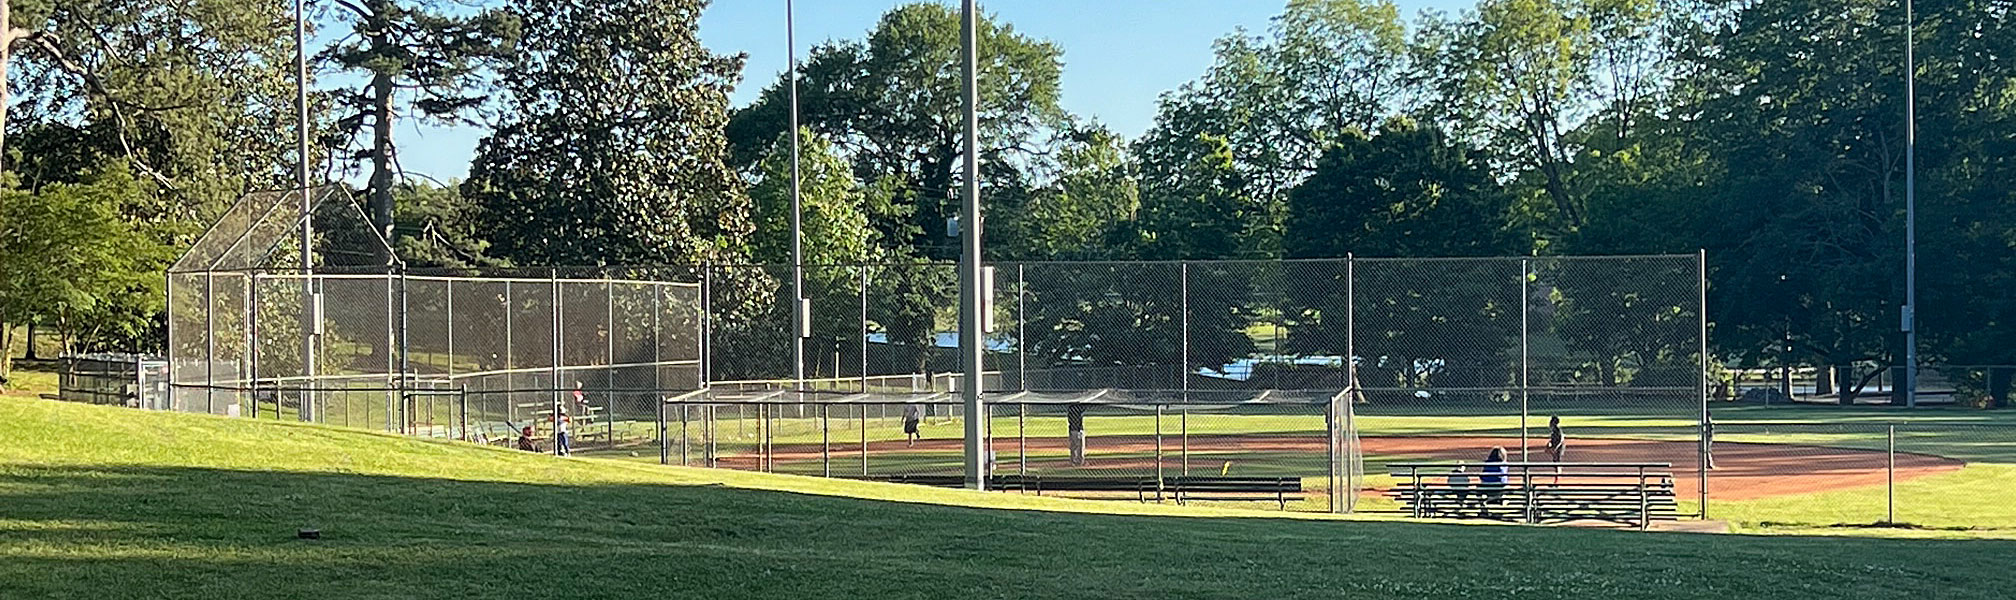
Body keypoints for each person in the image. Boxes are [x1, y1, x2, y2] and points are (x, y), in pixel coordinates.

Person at [1478, 446, 1508, 514]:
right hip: (1500, 488)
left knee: (1479, 488)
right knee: (1505, 487)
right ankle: (1501, 499)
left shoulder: (1487, 463)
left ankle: (1483, 507)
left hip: (1487, 488)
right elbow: (1504, 479)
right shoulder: (1504, 464)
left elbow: (1483, 476)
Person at [1546, 415, 1567, 483]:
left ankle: (1557, 480)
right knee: (1555, 462)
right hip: (1556, 447)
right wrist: (1549, 445)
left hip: (1559, 447)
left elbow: (1561, 439)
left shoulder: (1557, 429)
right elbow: (1552, 440)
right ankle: (1557, 478)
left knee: (1557, 462)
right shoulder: (1554, 430)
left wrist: (1556, 448)